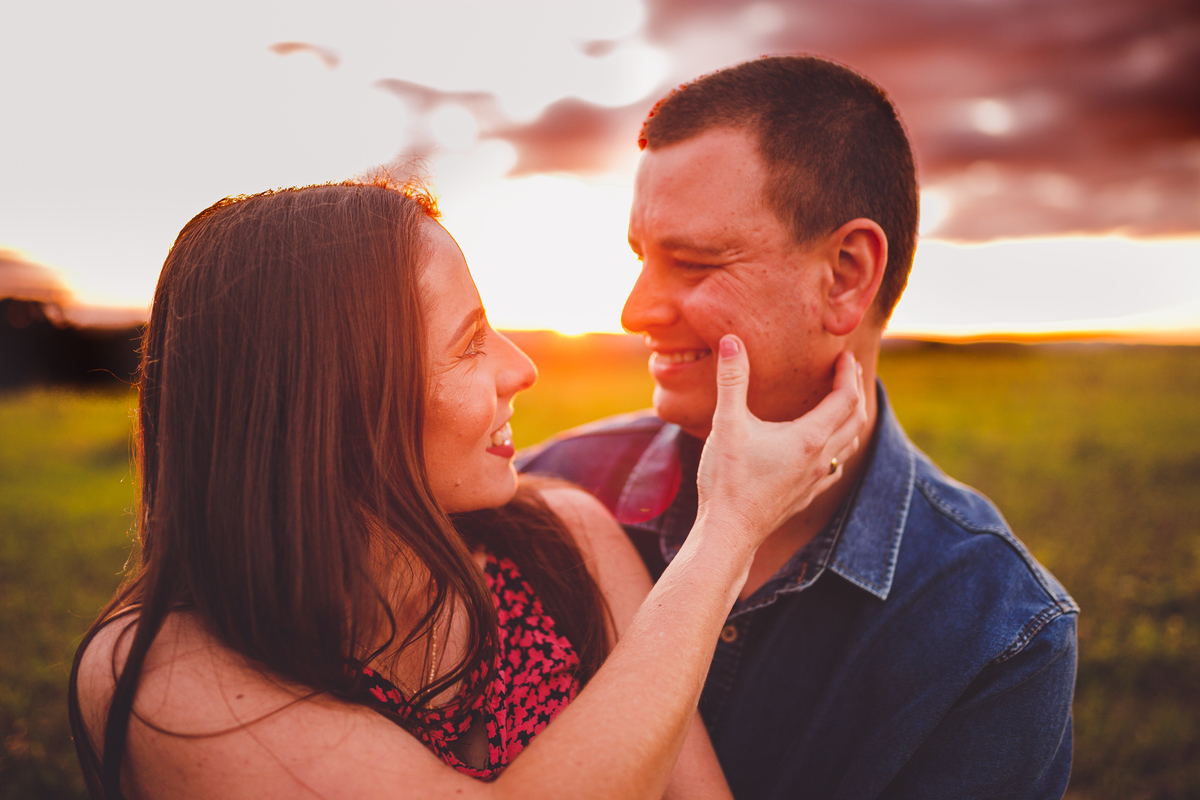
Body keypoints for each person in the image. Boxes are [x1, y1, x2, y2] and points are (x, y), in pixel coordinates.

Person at [67, 178, 868, 799]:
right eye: (467, 344)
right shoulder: (162, 680)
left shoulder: (567, 539)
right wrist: (729, 529)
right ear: (335, 403)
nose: (520, 368)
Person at [518, 56, 1079, 799]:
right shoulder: (545, 492)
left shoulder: (998, 631)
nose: (635, 311)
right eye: (643, 259)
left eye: (690, 262)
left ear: (846, 274)